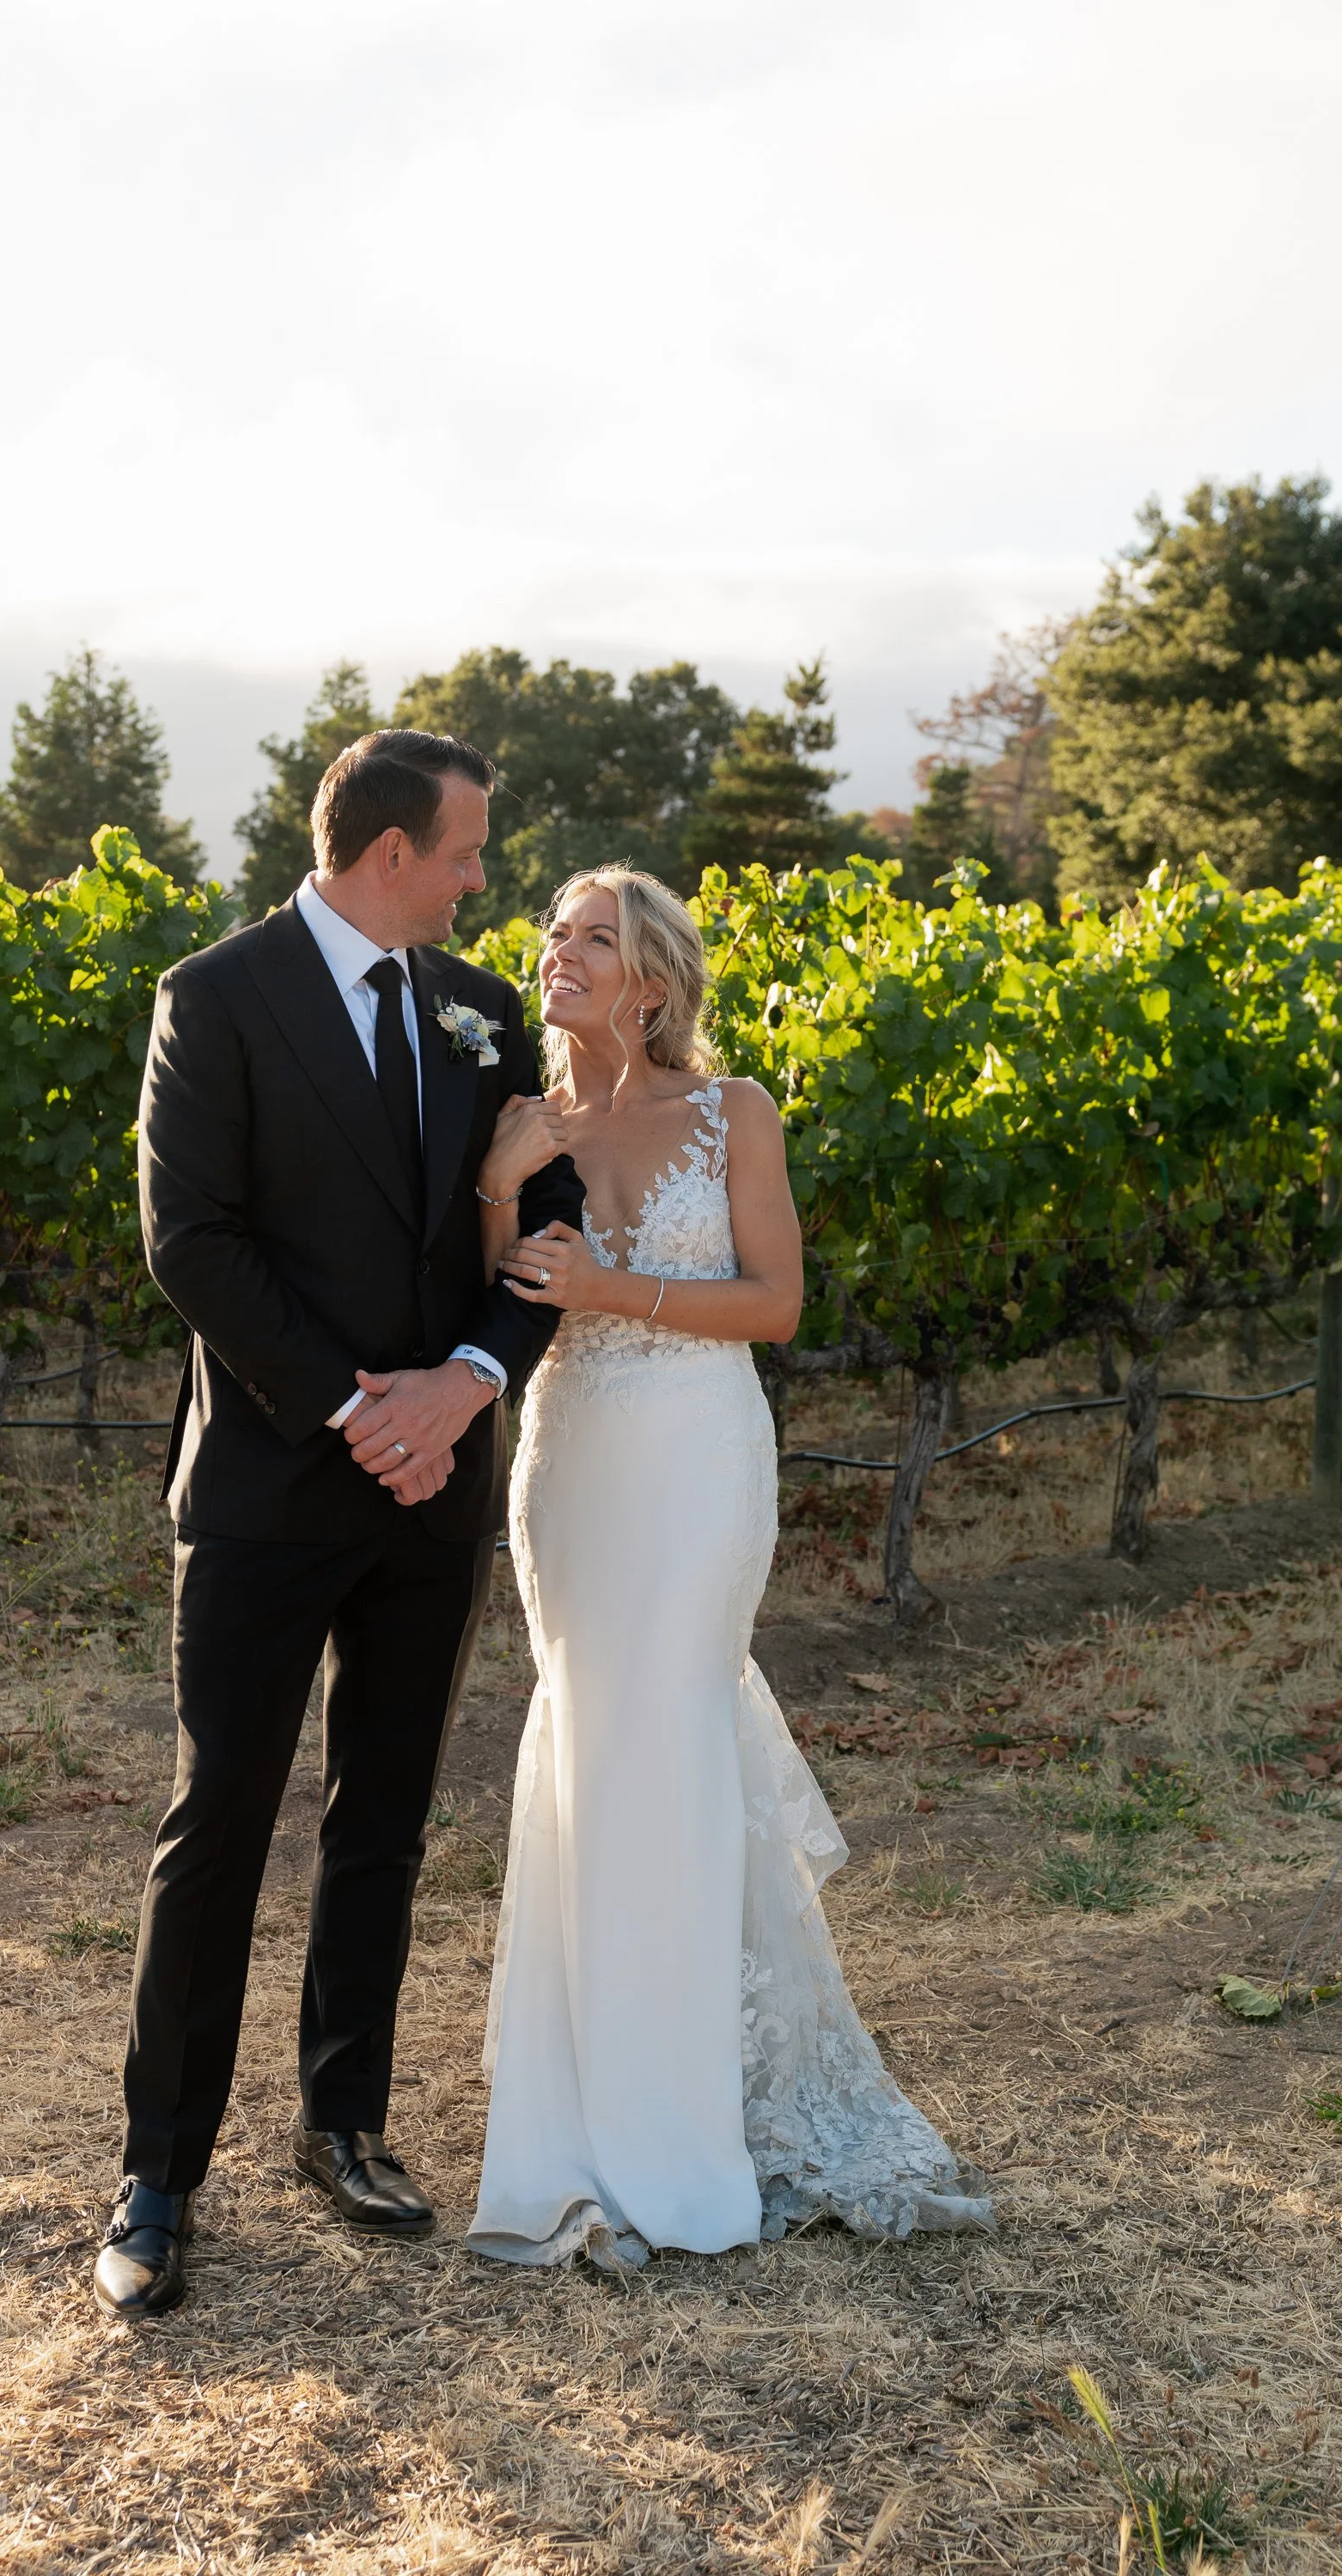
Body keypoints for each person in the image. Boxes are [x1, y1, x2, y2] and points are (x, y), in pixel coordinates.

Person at [95, 729, 583, 2318]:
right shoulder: (215, 997)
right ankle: (159, 2176)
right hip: (265, 1487)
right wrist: (355, 1407)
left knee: (383, 1815)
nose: (481, 879)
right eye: (467, 854)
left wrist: (461, 1382)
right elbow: (193, 1240)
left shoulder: (484, 1013)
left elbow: (548, 1237)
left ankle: (343, 2123)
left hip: (432, 1491)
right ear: (390, 854)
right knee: (219, 1817)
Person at [464, 868, 993, 2266]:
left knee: (673, 1738)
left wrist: (609, 1289)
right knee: (584, 1743)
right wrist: (497, 1192)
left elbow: (776, 1303)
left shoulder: (732, 1112)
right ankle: (577, 2125)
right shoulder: (519, 1120)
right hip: (570, 1460)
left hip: (700, 1461)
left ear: (650, 980)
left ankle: (686, 2133)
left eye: (592, 938)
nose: (558, 954)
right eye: (554, 934)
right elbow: (494, 1301)